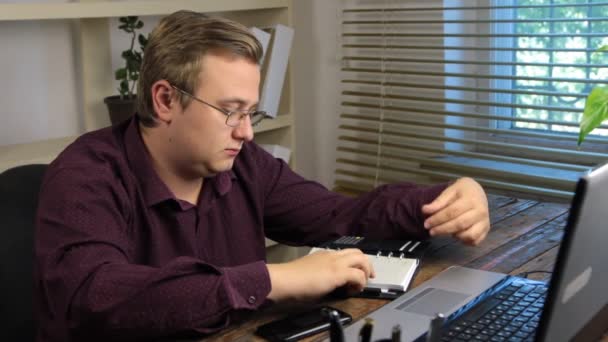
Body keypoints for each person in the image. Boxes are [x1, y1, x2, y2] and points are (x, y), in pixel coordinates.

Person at [34, 10, 490, 342]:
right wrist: (275, 279)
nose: (246, 131)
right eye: (230, 111)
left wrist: (446, 198)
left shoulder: (240, 161)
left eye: (251, 112)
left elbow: (340, 214)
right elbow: (96, 298)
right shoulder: (84, 174)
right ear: (165, 100)